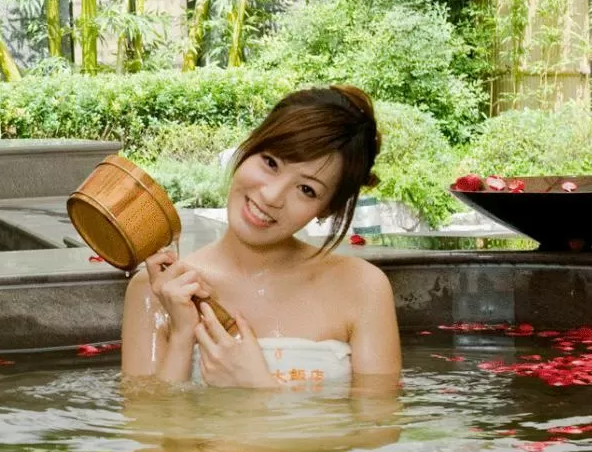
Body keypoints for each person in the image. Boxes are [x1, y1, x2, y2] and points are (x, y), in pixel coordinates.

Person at [120, 85, 400, 386]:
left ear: (327, 209)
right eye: (271, 162)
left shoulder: (362, 288)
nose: (271, 196)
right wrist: (182, 336)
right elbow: (148, 427)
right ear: (249, 147)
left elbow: (376, 430)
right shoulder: (160, 290)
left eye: (306, 190)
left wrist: (259, 390)